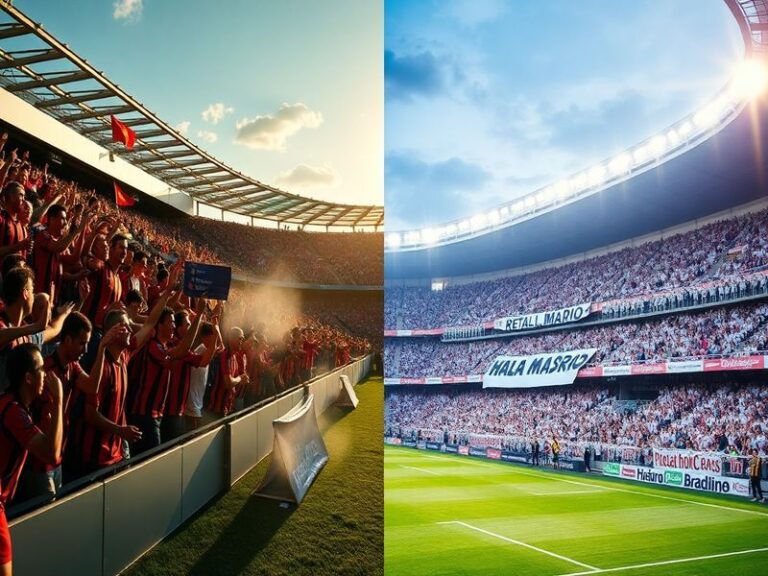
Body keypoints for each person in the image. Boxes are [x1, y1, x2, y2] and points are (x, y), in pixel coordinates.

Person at [0, 343, 63, 575]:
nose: (46, 374)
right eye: (41, 369)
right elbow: (52, 453)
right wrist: (59, 401)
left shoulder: (10, 404)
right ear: (28, 377)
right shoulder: (14, 412)